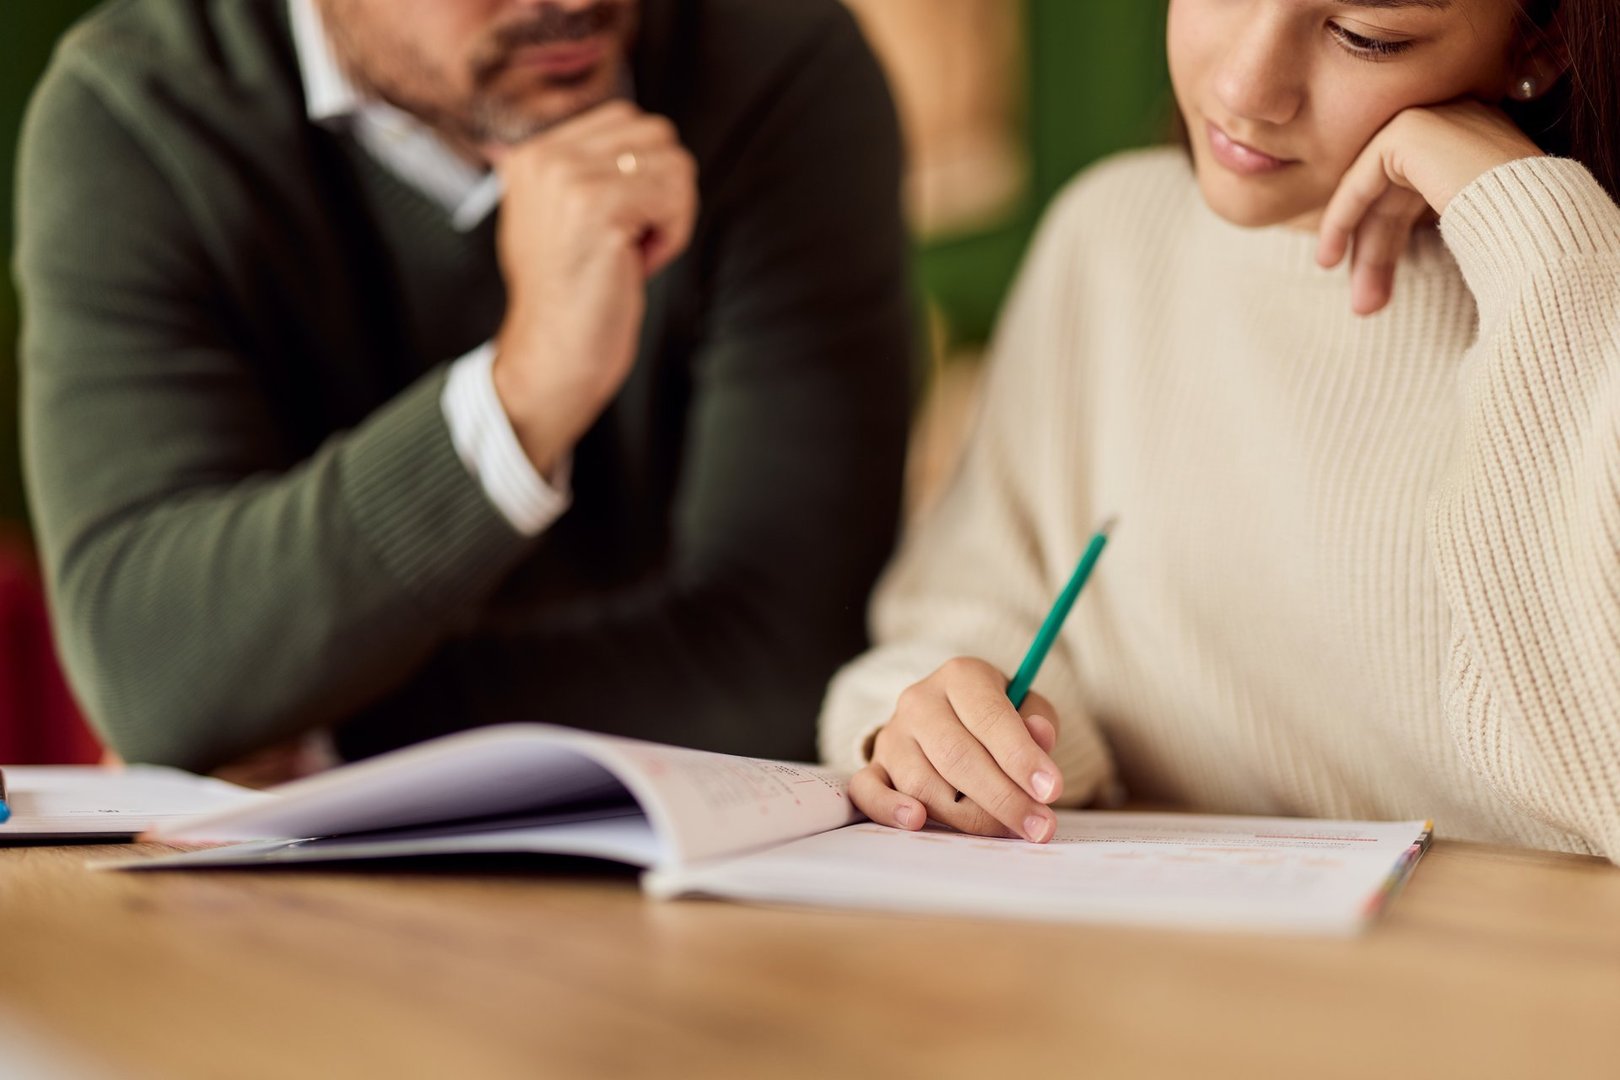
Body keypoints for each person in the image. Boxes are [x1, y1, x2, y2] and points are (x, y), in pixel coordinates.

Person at [15, 0, 912, 773]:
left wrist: (312, 724)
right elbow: (152, 659)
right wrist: (520, 397)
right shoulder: (138, 115)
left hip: (687, 896)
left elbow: (789, 664)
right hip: (283, 914)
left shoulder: (778, 68)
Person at [821, 0, 1620, 861]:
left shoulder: (1577, 287)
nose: (1246, 88)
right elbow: (960, 620)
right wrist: (952, 729)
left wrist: (1546, 248)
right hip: (1166, 974)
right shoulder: (1112, 240)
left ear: (1535, 44)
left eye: (1364, 37)